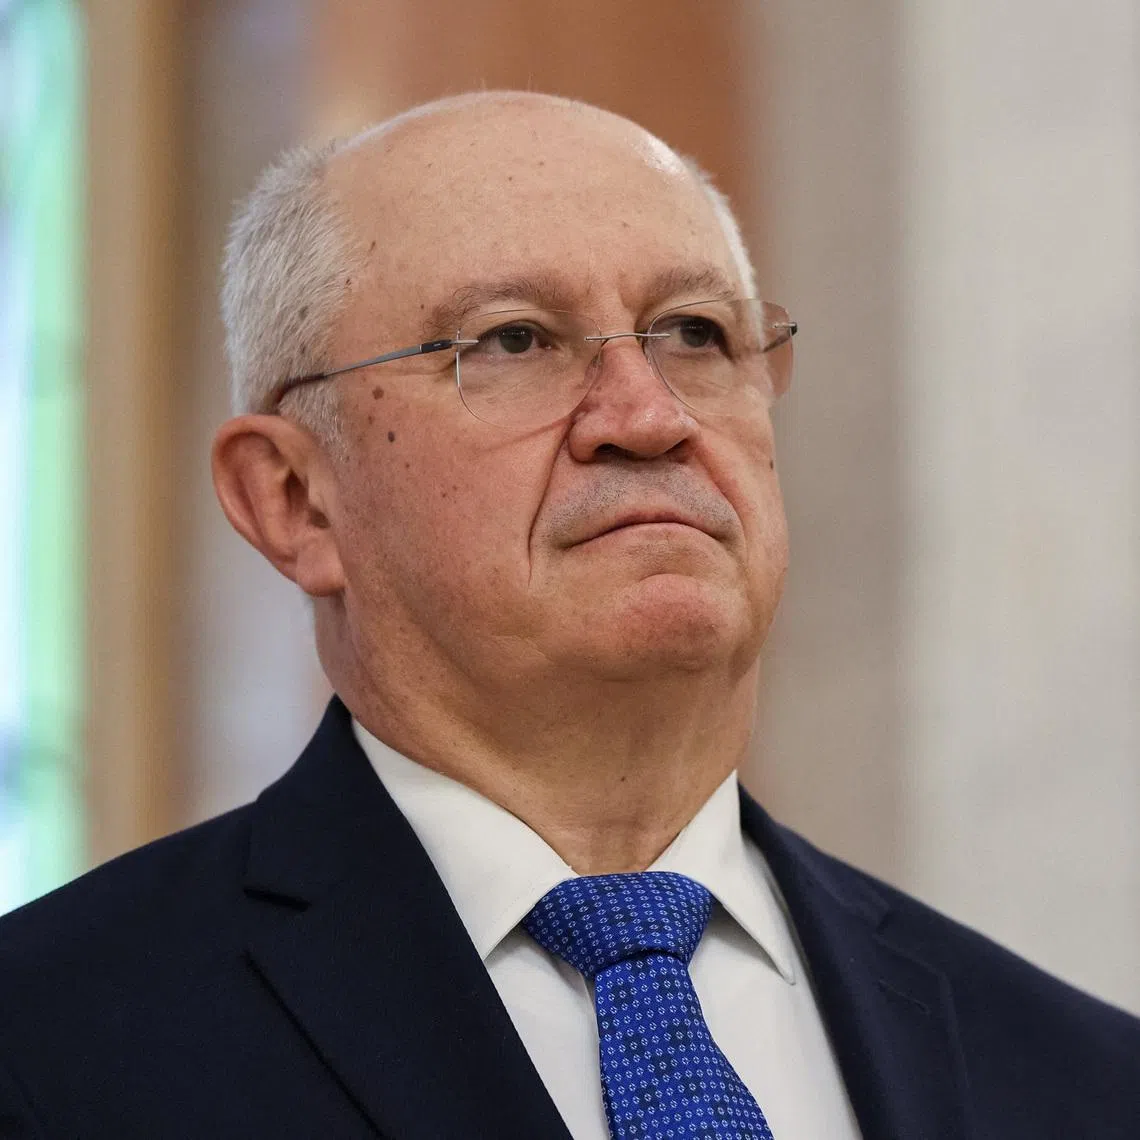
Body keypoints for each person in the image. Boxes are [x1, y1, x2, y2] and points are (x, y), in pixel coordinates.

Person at [0, 91, 1136, 1140]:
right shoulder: (53, 1044)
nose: (646, 416)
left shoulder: (1082, 1080)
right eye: (514, 340)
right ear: (296, 500)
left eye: (695, 332)